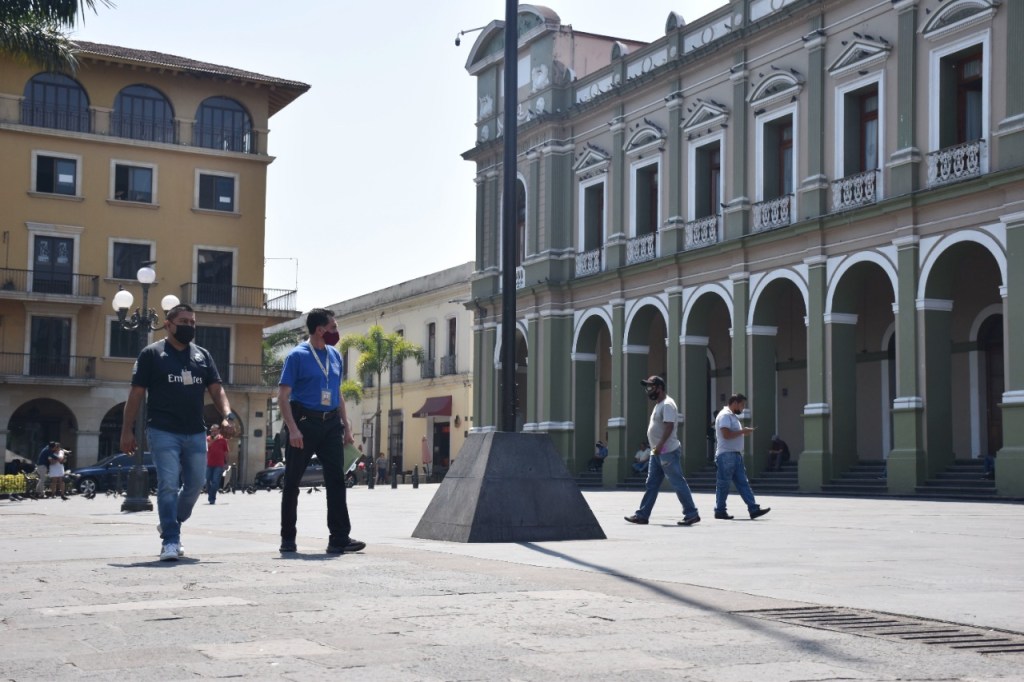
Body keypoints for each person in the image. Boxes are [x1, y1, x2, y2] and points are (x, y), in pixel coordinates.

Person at [121, 303, 237, 562]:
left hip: (196, 432)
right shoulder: (152, 354)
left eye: (193, 323)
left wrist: (227, 415)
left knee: (196, 485)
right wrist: (127, 430)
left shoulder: (202, 356)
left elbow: (217, 390)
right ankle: (171, 539)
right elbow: (136, 394)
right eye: (184, 322)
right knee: (169, 484)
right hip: (163, 431)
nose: (189, 327)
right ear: (168, 324)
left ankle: (172, 521)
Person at [277, 308, 365, 555]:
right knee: (292, 482)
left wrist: (346, 427)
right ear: (320, 330)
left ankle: (339, 538)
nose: (337, 332)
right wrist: (293, 429)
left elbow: (337, 394)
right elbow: (282, 397)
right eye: (334, 328)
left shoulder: (335, 355)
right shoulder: (297, 356)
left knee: (337, 479)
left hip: (330, 424)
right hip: (304, 422)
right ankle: (288, 538)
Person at [625, 376, 701, 527]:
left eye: (651, 387)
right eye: (647, 387)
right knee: (651, 484)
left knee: (677, 482)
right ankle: (642, 515)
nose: (648, 390)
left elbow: (669, 427)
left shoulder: (667, 404)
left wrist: (659, 445)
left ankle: (691, 514)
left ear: (659, 387)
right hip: (657, 452)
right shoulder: (659, 405)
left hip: (666, 451)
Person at [714, 393, 770, 520]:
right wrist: (743, 431)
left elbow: (731, 434)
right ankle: (720, 511)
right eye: (742, 405)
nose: (743, 408)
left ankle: (753, 509)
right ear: (734, 403)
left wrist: (742, 433)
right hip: (726, 455)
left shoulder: (732, 416)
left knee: (743, 483)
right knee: (724, 484)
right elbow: (726, 435)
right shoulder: (725, 415)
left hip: (735, 455)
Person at [205, 424, 229, 504]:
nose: (213, 432)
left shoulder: (223, 440)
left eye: (215, 430)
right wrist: (213, 440)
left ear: (218, 431)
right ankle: (210, 495)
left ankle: (212, 498)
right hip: (208, 464)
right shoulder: (207, 439)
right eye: (212, 431)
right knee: (207, 481)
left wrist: (226, 463)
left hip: (219, 464)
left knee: (215, 481)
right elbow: (206, 448)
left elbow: (226, 452)